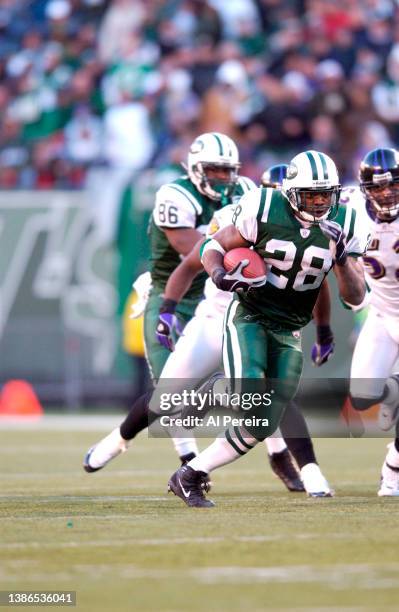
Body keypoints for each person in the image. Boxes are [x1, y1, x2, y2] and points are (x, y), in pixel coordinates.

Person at [167, 149, 369, 507]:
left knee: (260, 424)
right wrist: (218, 274)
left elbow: (354, 298)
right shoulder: (263, 207)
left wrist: (341, 259)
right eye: (311, 194)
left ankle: (190, 475)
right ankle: (217, 390)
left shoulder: (347, 222)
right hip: (250, 316)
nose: (321, 202)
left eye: (326, 194)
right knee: (251, 403)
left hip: (289, 328)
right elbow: (213, 245)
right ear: (291, 193)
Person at [83, 132, 256, 470]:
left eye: (227, 170)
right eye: (214, 170)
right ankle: (133, 443)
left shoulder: (247, 192)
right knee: (169, 390)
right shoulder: (175, 195)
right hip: (173, 291)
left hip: (219, 294)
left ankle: (284, 460)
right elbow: (192, 249)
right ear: (194, 168)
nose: (222, 178)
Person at [347, 148, 399, 496]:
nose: (386, 193)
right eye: (377, 187)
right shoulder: (348, 209)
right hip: (382, 315)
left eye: (393, 185)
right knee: (363, 396)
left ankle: (393, 471)